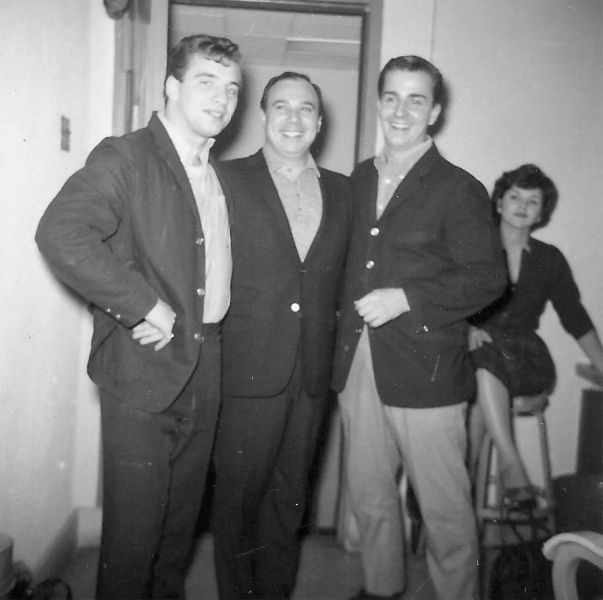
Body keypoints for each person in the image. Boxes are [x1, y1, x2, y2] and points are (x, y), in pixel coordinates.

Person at [35, 34, 242, 600]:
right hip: (143, 368)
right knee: (133, 544)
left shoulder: (214, 173)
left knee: (177, 535)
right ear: (171, 86)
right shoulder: (127, 156)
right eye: (207, 82)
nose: (222, 98)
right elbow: (61, 233)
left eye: (231, 88)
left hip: (207, 365)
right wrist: (142, 305)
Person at [331, 55, 507, 600]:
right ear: (379, 104)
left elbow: (488, 277)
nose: (401, 111)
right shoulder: (358, 179)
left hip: (427, 369)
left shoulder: (458, 187)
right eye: (391, 98)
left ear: (434, 112)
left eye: (415, 100)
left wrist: (408, 298)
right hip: (358, 362)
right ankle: (382, 589)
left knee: (444, 508)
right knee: (369, 493)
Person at [211, 71, 351, 600]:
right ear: (264, 115)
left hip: (312, 375)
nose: (294, 118)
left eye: (306, 108)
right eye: (282, 107)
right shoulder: (225, 179)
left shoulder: (343, 191)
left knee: (289, 503)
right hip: (246, 372)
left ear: (320, 120)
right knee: (237, 504)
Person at [467, 164, 603, 507]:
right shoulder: (473, 247)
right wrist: (467, 329)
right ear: (499, 202)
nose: (522, 206)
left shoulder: (549, 259)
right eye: (515, 197)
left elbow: (574, 316)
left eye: (533, 201)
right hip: (475, 351)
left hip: (525, 358)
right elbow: (445, 300)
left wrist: (602, 364)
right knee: (482, 363)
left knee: (483, 367)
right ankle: (504, 473)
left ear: (541, 213)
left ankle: (468, 484)